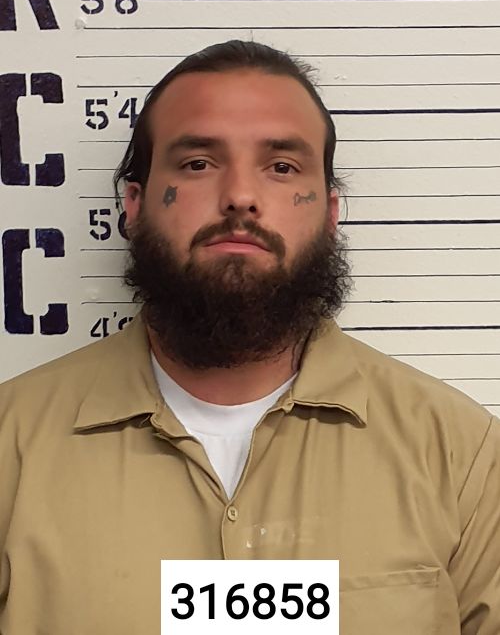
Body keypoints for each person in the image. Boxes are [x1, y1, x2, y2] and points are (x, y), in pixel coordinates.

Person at [0, 40, 498, 635]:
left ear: (330, 214)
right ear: (133, 205)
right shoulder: (11, 448)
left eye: (282, 167)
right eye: (197, 163)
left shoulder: (462, 456)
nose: (239, 195)